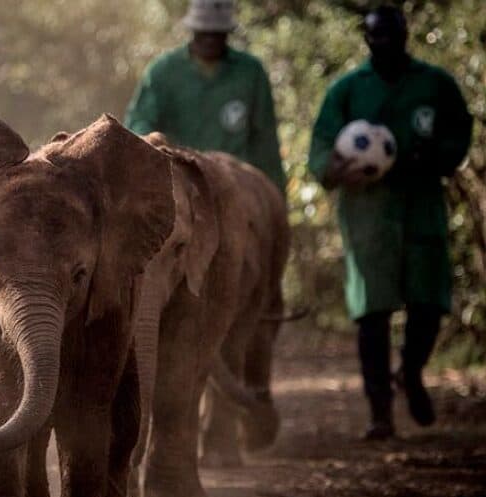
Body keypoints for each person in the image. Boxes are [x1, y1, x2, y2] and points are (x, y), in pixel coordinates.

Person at [308, 6, 472, 440]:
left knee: (429, 302)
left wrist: (434, 157)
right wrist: (339, 170)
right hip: (368, 213)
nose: (384, 46)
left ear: (405, 36)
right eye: (376, 39)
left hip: (421, 206)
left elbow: (460, 130)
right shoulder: (346, 90)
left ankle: (412, 371)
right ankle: (379, 410)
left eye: (391, 38)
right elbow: (321, 149)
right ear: (367, 40)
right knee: (372, 313)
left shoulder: (435, 84)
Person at [124, 0, 286, 192]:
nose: (210, 39)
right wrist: (157, 147)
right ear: (192, 28)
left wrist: (276, 198)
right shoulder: (162, 72)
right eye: (204, 32)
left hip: (235, 190)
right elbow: (138, 124)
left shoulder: (250, 73)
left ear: (228, 32)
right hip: (179, 186)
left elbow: (265, 142)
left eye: (217, 33)